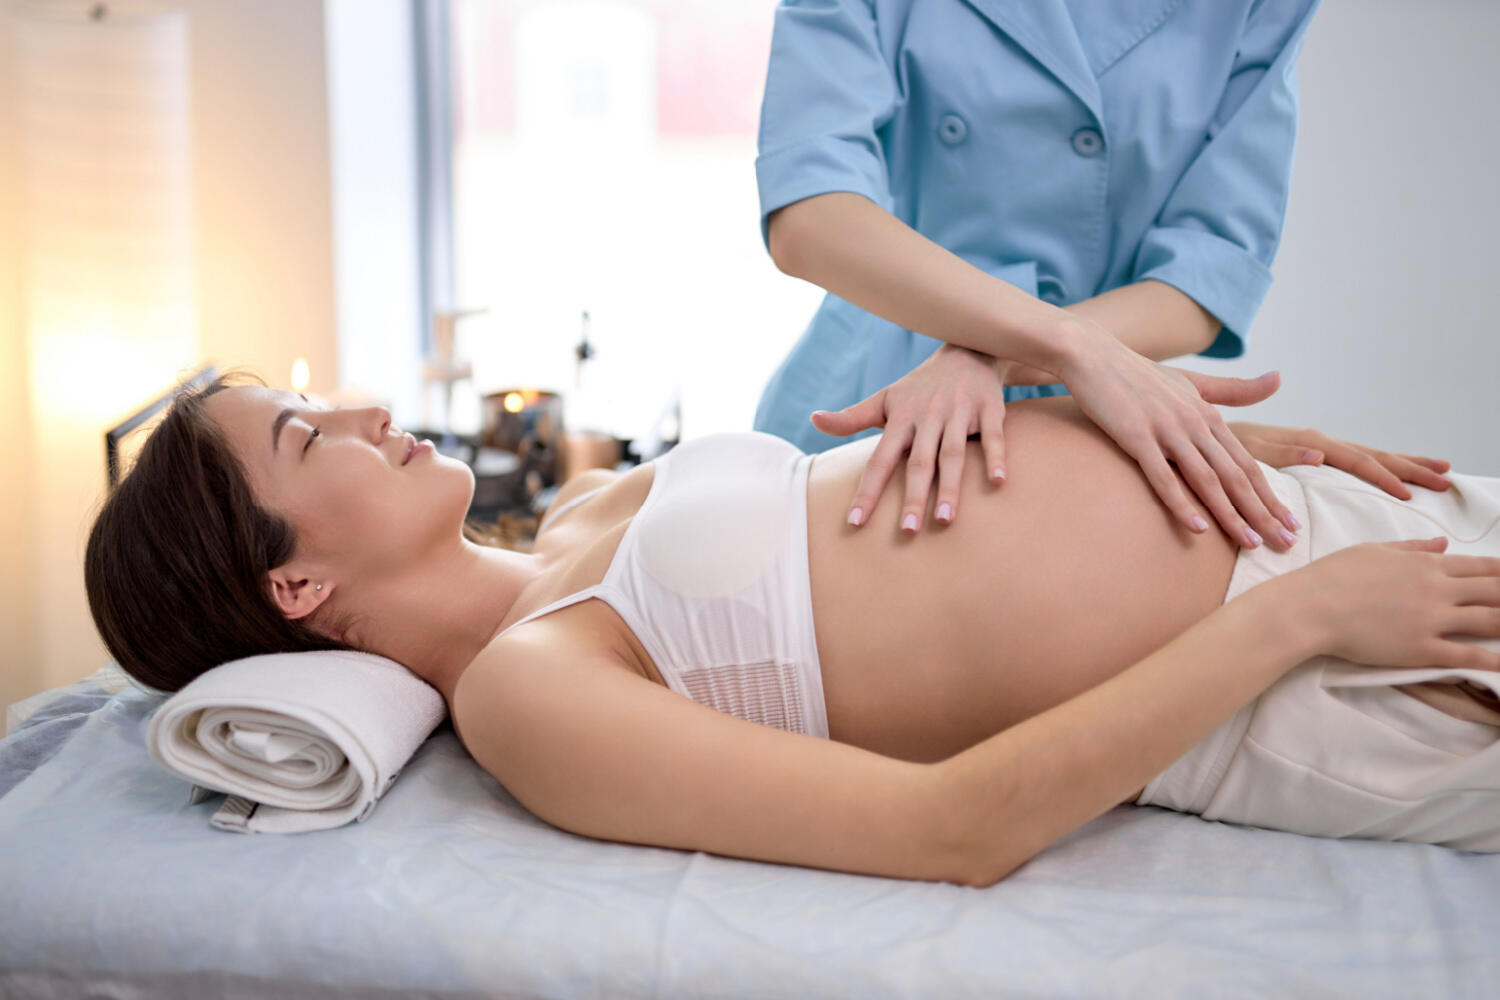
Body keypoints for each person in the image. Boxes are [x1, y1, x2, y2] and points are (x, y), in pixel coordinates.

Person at [85, 371, 1500, 888]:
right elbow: (953, 830)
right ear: (294, 591)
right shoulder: (534, 694)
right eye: (303, 432)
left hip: (1315, 516)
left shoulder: (590, 506)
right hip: (1314, 663)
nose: (366, 412)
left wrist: (1212, 443)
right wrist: (1305, 616)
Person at [751, 0, 1336, 552]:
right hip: (873, 397)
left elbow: (1205, 277)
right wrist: (1068, 344)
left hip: (1096, 420)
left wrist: (989, 354)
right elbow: (811, 217)